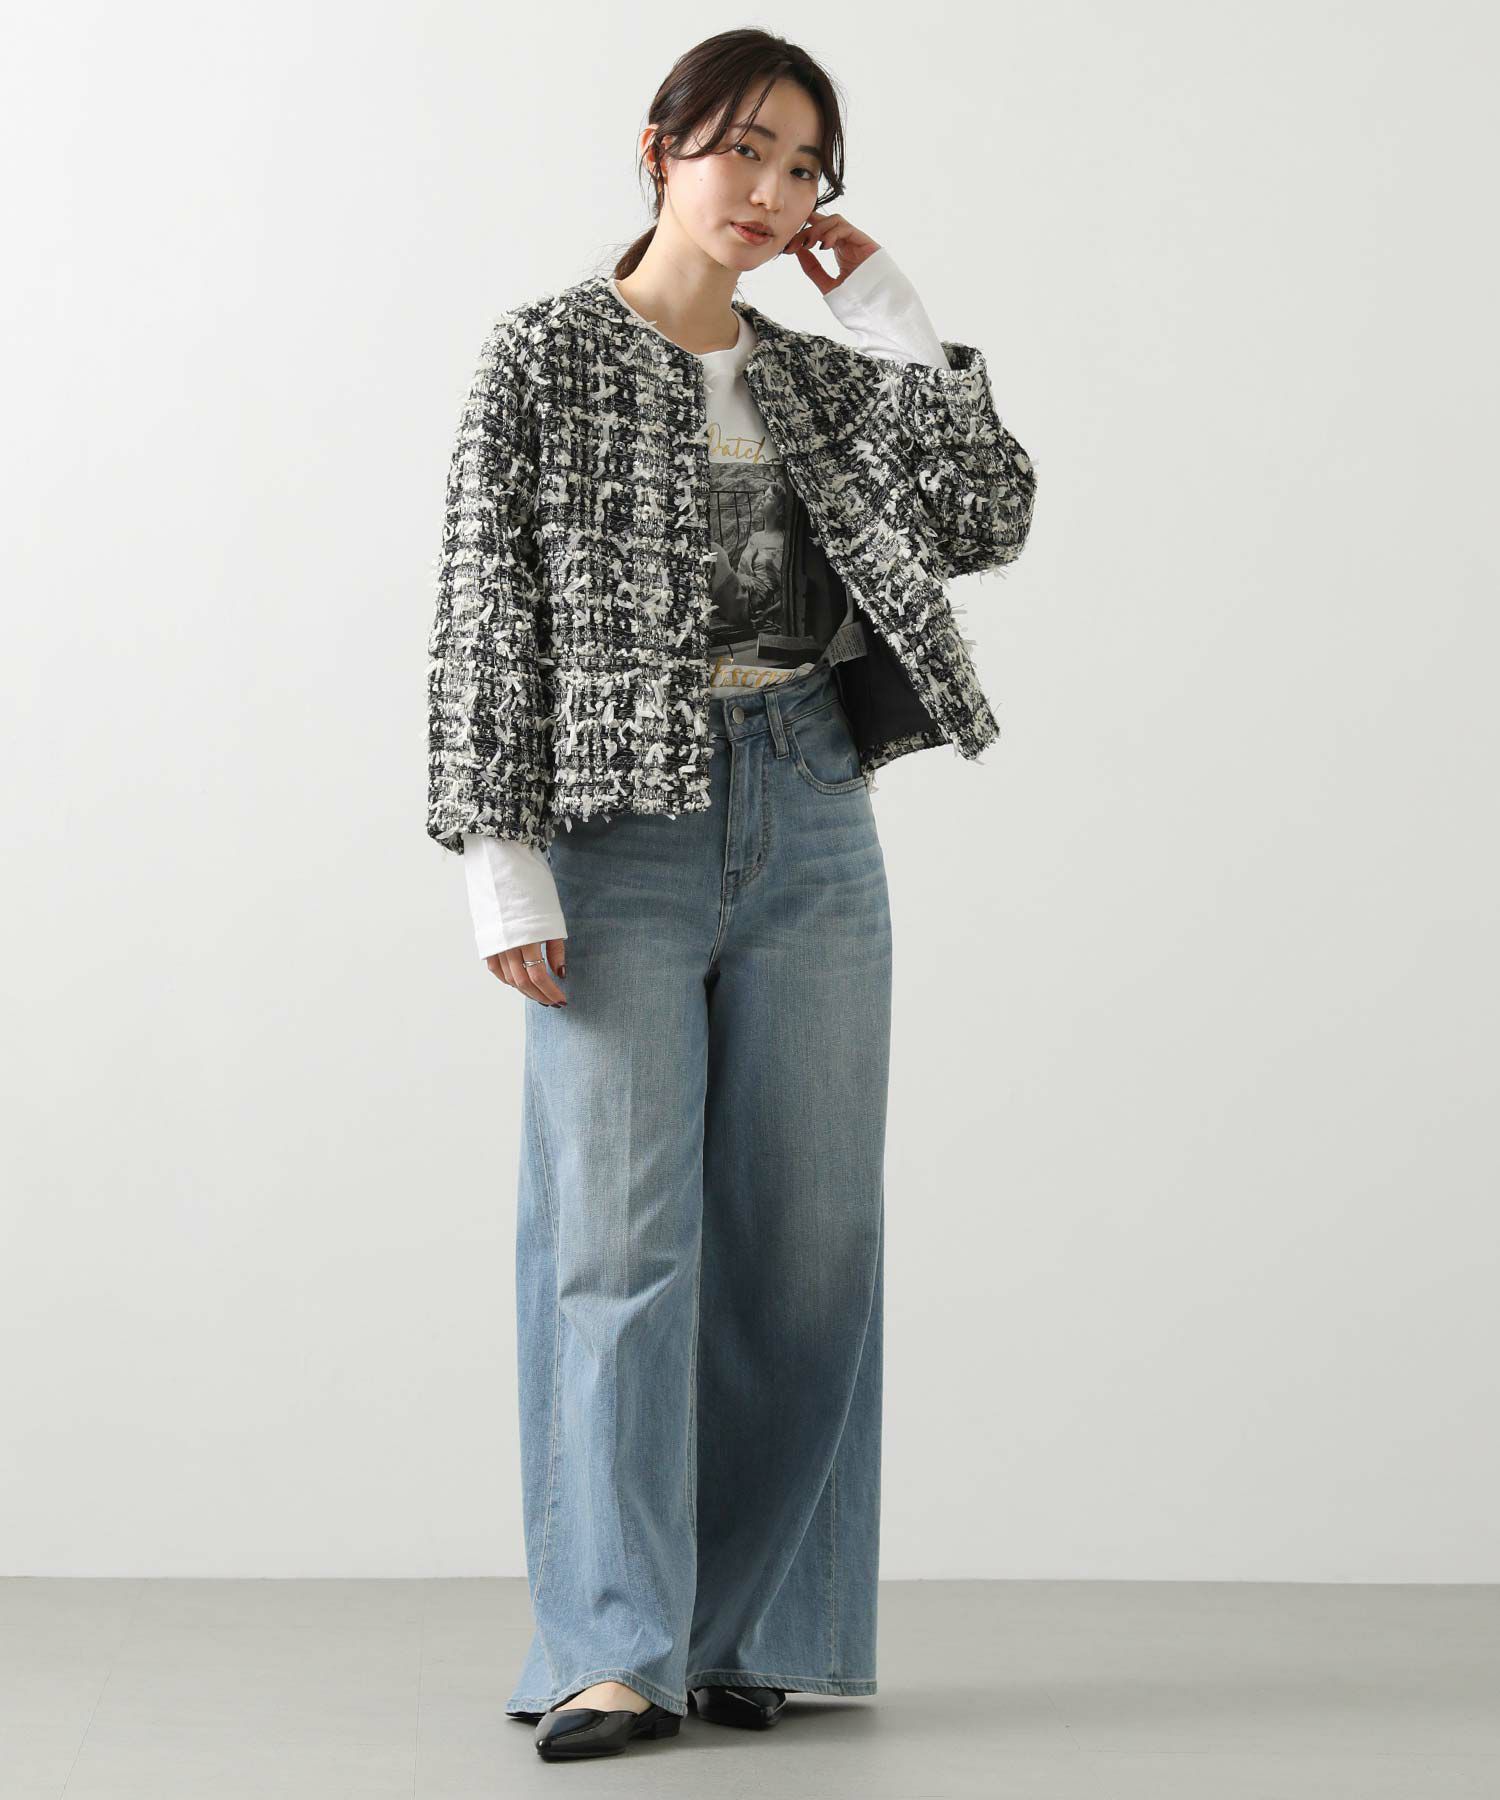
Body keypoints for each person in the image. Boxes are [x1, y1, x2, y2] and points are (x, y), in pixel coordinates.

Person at [426, 28, 1037, 1764]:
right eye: (742, 150)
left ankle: (749, 1630)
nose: (770, 191)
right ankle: (613, 1649)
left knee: (808, 1244)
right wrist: (500, 865)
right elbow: (484, 610)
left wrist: (894, 318)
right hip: (618, 831)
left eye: (803, 167)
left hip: (812, 807)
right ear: (661, 148)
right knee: (617, 1246)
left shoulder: (820, 375)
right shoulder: (544, 354)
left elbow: (989, 517)